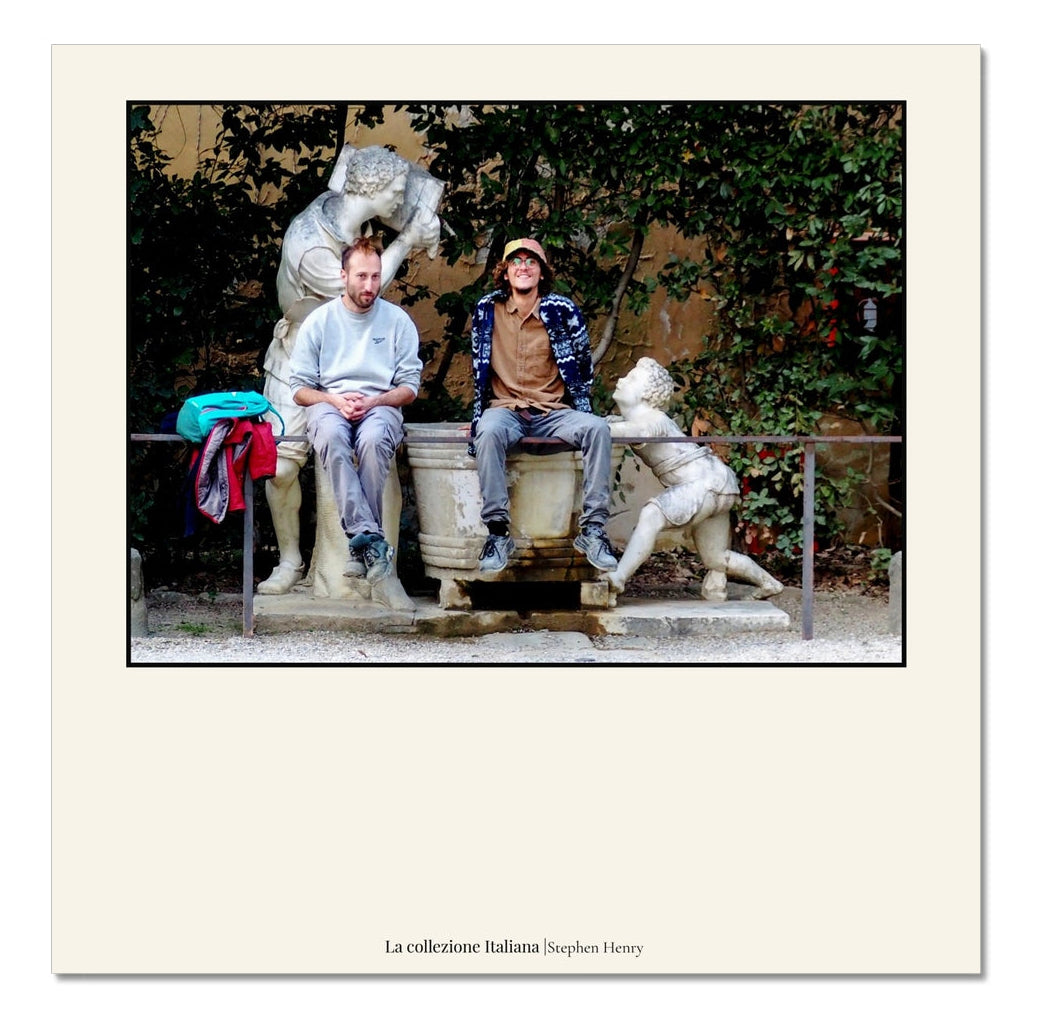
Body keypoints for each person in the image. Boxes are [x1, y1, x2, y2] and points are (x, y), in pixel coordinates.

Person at [258, 145, 441, 594]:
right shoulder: (310, 245)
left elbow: (371, 284)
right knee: (281, 470)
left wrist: (421, 230)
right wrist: (408, 240)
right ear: (371, 189)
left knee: (368, 447)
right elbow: (366, 286)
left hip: (356, 368)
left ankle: (367, 558)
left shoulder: (346, 212)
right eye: (396, 190)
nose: (400, 199)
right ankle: (290, 561)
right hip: (299, 357)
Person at [469, 237, 617, 574]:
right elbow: (477, 369)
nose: (523, 266)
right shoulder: (486, 311)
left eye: (531, 261)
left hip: (553, 413)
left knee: (597, 429)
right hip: (506, 409)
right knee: (488, 432)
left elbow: (582, 365)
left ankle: (593, 531)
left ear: (541, 271)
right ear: (504, 272)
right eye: (515, 261)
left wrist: (580, 403)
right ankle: (497, 533)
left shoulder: (562, 311)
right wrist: (478, 416)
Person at [287, 236, 423, 583]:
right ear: (343, 275)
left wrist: (376, 400)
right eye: (361, 276)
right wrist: (333, 400)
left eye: (376, 277)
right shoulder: (319, 321)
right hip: (329, 403)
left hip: (381, 403)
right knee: (331, 435)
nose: (369, 285)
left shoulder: (397, 321)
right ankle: (370, 540)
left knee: (375, 439)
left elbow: (409, 388)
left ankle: (362, 542)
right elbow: (300, 390)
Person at [602, 357, 784, 603]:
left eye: (632, 378)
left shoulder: (652, 419)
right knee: (716, 558)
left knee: (651, 515)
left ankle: (619, 578)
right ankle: (768, 583)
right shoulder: (646, 420)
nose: (622, 380)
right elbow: (623, 427)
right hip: (719, 483)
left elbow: (635, 431)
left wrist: (592, 427)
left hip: (703, 484)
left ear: (647, 394)